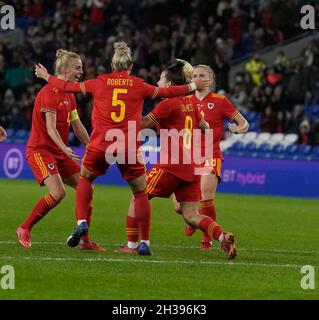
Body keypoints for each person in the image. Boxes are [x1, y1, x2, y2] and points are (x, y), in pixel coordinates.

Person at [35, 42, 209, 254]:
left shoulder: (99, 82)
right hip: (127, 145)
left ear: (112, 63)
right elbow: (168, 91)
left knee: (86, 179)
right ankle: (144, 243)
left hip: (101, 144)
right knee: (140, 193)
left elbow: (66, 87)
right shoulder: (139, 85)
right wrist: (193, 86)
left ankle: (82, 221)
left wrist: (45, 77)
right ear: (130, 66)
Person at [117, 60, 236, 259]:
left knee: (138, 195)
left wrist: (126, 112)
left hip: (170, 165)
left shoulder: (167, 104)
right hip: (191, 168)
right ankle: (222, 236)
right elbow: (205, 128)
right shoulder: (192, 104)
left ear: (170, 86)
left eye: (161, 79)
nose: (157, 82)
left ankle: (131, 244)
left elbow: (143, 124)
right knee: (191, 215)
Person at [16, 49, 103, 251]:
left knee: (86, 188)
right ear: (64, 69)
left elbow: (77, 125)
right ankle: (24, 228)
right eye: (78, 67)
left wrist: (92, 147)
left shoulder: (69, 94)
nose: (82, 71)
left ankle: (85, 241)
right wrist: (64, 148)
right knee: (58, 193)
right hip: (41, 150)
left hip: (59, 151)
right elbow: (50, 128)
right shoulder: (48, 93)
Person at [173, 64, 249, 251]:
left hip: (210, 154)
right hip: (187, 156)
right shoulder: (183, 100)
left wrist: (238, 129)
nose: (198, 77)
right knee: (178, 207)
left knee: (206, 197)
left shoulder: (220, 101)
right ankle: (194, 219)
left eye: (202, 75)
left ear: (210, 80)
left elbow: (244, 123)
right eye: (195, 75)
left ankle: (206, 240)